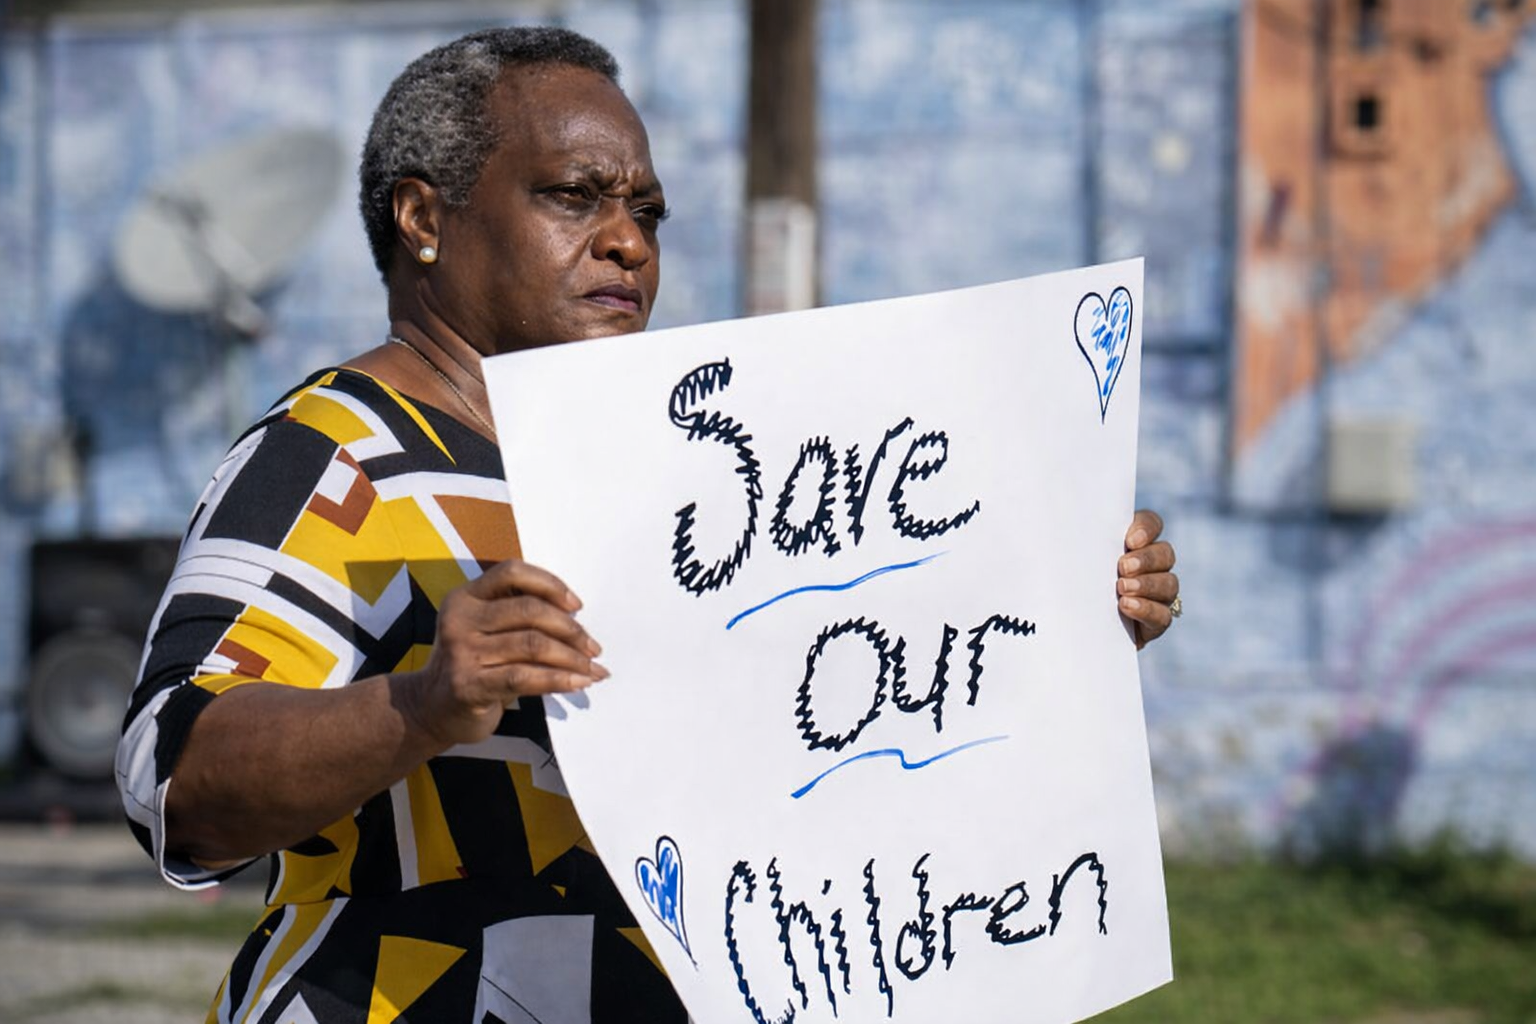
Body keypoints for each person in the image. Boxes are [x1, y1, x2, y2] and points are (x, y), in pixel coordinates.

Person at [115, 26, 1181, 1024]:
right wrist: (427, 703)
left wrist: (1058, 620)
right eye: (575, 197)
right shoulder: (337, 455)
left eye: (648, 213)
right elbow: (175, 781)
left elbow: (841, 732)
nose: (626, 240)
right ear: (425, 219)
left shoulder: (694, 480)